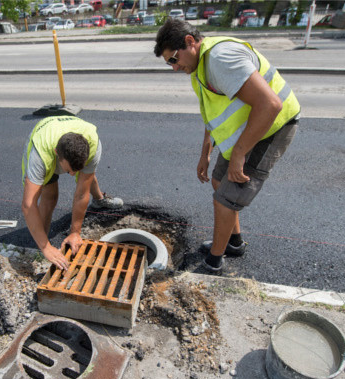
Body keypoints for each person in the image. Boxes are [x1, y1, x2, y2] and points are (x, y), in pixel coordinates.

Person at [154, 19, 301, 272]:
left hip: (272, 127)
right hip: (249, 127)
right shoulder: (198, 68)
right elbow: (212, 115)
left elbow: (271, 105)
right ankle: (233, 242)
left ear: (190, 42)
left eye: (173, 59)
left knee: (225, 199)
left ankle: (213, 263)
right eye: (169, 62)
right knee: (219, 181)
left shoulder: (220, 59)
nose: (174, 67)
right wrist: (205, 154)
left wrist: (239, 155)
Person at [21, 115, 123, 269]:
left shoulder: (93, 145)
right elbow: (28, 204)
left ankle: (99, 200)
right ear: (57, 154)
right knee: (50, 197)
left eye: (77, 170)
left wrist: (75, 232)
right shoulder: (40, 156)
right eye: (68, 170)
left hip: (71, 138)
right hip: (45, 135)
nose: (72, 175)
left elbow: (82, 193)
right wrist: (46, 247)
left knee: (86, 179)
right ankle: (41, 244)